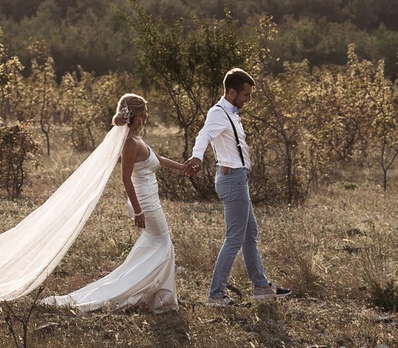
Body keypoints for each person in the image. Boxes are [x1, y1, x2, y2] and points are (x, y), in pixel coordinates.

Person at [38, 94, 200, 313]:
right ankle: (154, 296)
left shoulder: (138, 138)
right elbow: (125, 179)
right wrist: (138, 211)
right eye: (143, 113)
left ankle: (156, 293)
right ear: (135, 115)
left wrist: (183, 168)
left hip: (149, 199)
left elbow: (158, 159)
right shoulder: (130, 143)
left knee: (157, 243)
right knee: (163, 242)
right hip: (144, 202)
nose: (146, 117)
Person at [189, 68, 292, 307]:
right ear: (232, 92)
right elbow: (203, 136)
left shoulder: (232, 114)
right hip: (231, 179)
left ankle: (261, 287)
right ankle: (216, 294)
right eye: (246, 95)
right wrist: (196, 158)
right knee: (235, 238)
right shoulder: (218, 113)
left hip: (239, 179)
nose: (249, 99)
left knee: (249, 234)